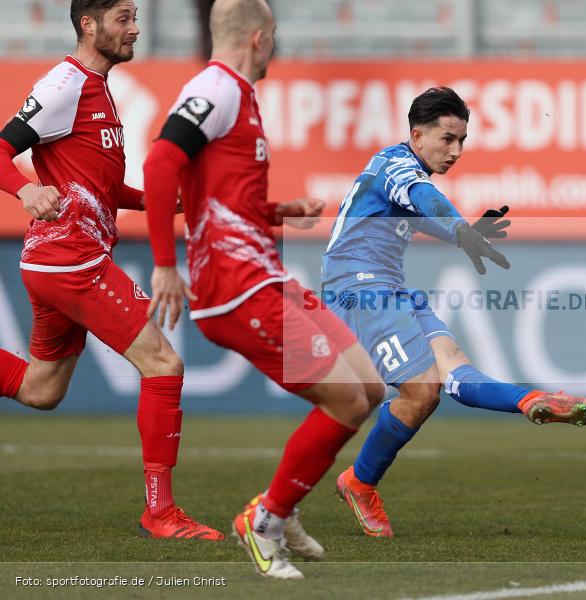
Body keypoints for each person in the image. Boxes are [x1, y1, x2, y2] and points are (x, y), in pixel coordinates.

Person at [142, 0, 384, 579]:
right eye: (274, 35)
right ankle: (267, 517)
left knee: (369, 387)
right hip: (236, 289)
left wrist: (278, 210)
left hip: (264, 276)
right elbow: (159, 164)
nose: (276, 44)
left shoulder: (240, 97)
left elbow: (223, 197)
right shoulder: (217, 88)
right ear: (257, 37)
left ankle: (283, 506)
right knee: (346, 402)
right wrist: (163, 264)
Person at [321, 87, 586, 538]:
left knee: (452, 371)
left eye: (462, 141)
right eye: (447, 139)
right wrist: (460, 228)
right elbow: (422, 196)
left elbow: (422, 210)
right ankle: (357, 483)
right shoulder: (394, 165)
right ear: (417, 135)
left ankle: (534, 400)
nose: (456, 151)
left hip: (392, 290)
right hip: (356, 291)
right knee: (423, 390)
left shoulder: (403, 171)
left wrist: (464, 234)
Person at [0, 0, 221, 541]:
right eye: (123, 18)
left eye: (136, 17)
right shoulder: (65, 84)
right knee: (163, 364)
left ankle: (161, 511)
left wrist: (160, 203)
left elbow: (100, 186)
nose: (135, 28)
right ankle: (160, 512)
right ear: (89, 24)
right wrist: (25, 188)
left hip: (56, 262)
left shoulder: (99, 91)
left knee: (41, 389)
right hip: (71, 261)